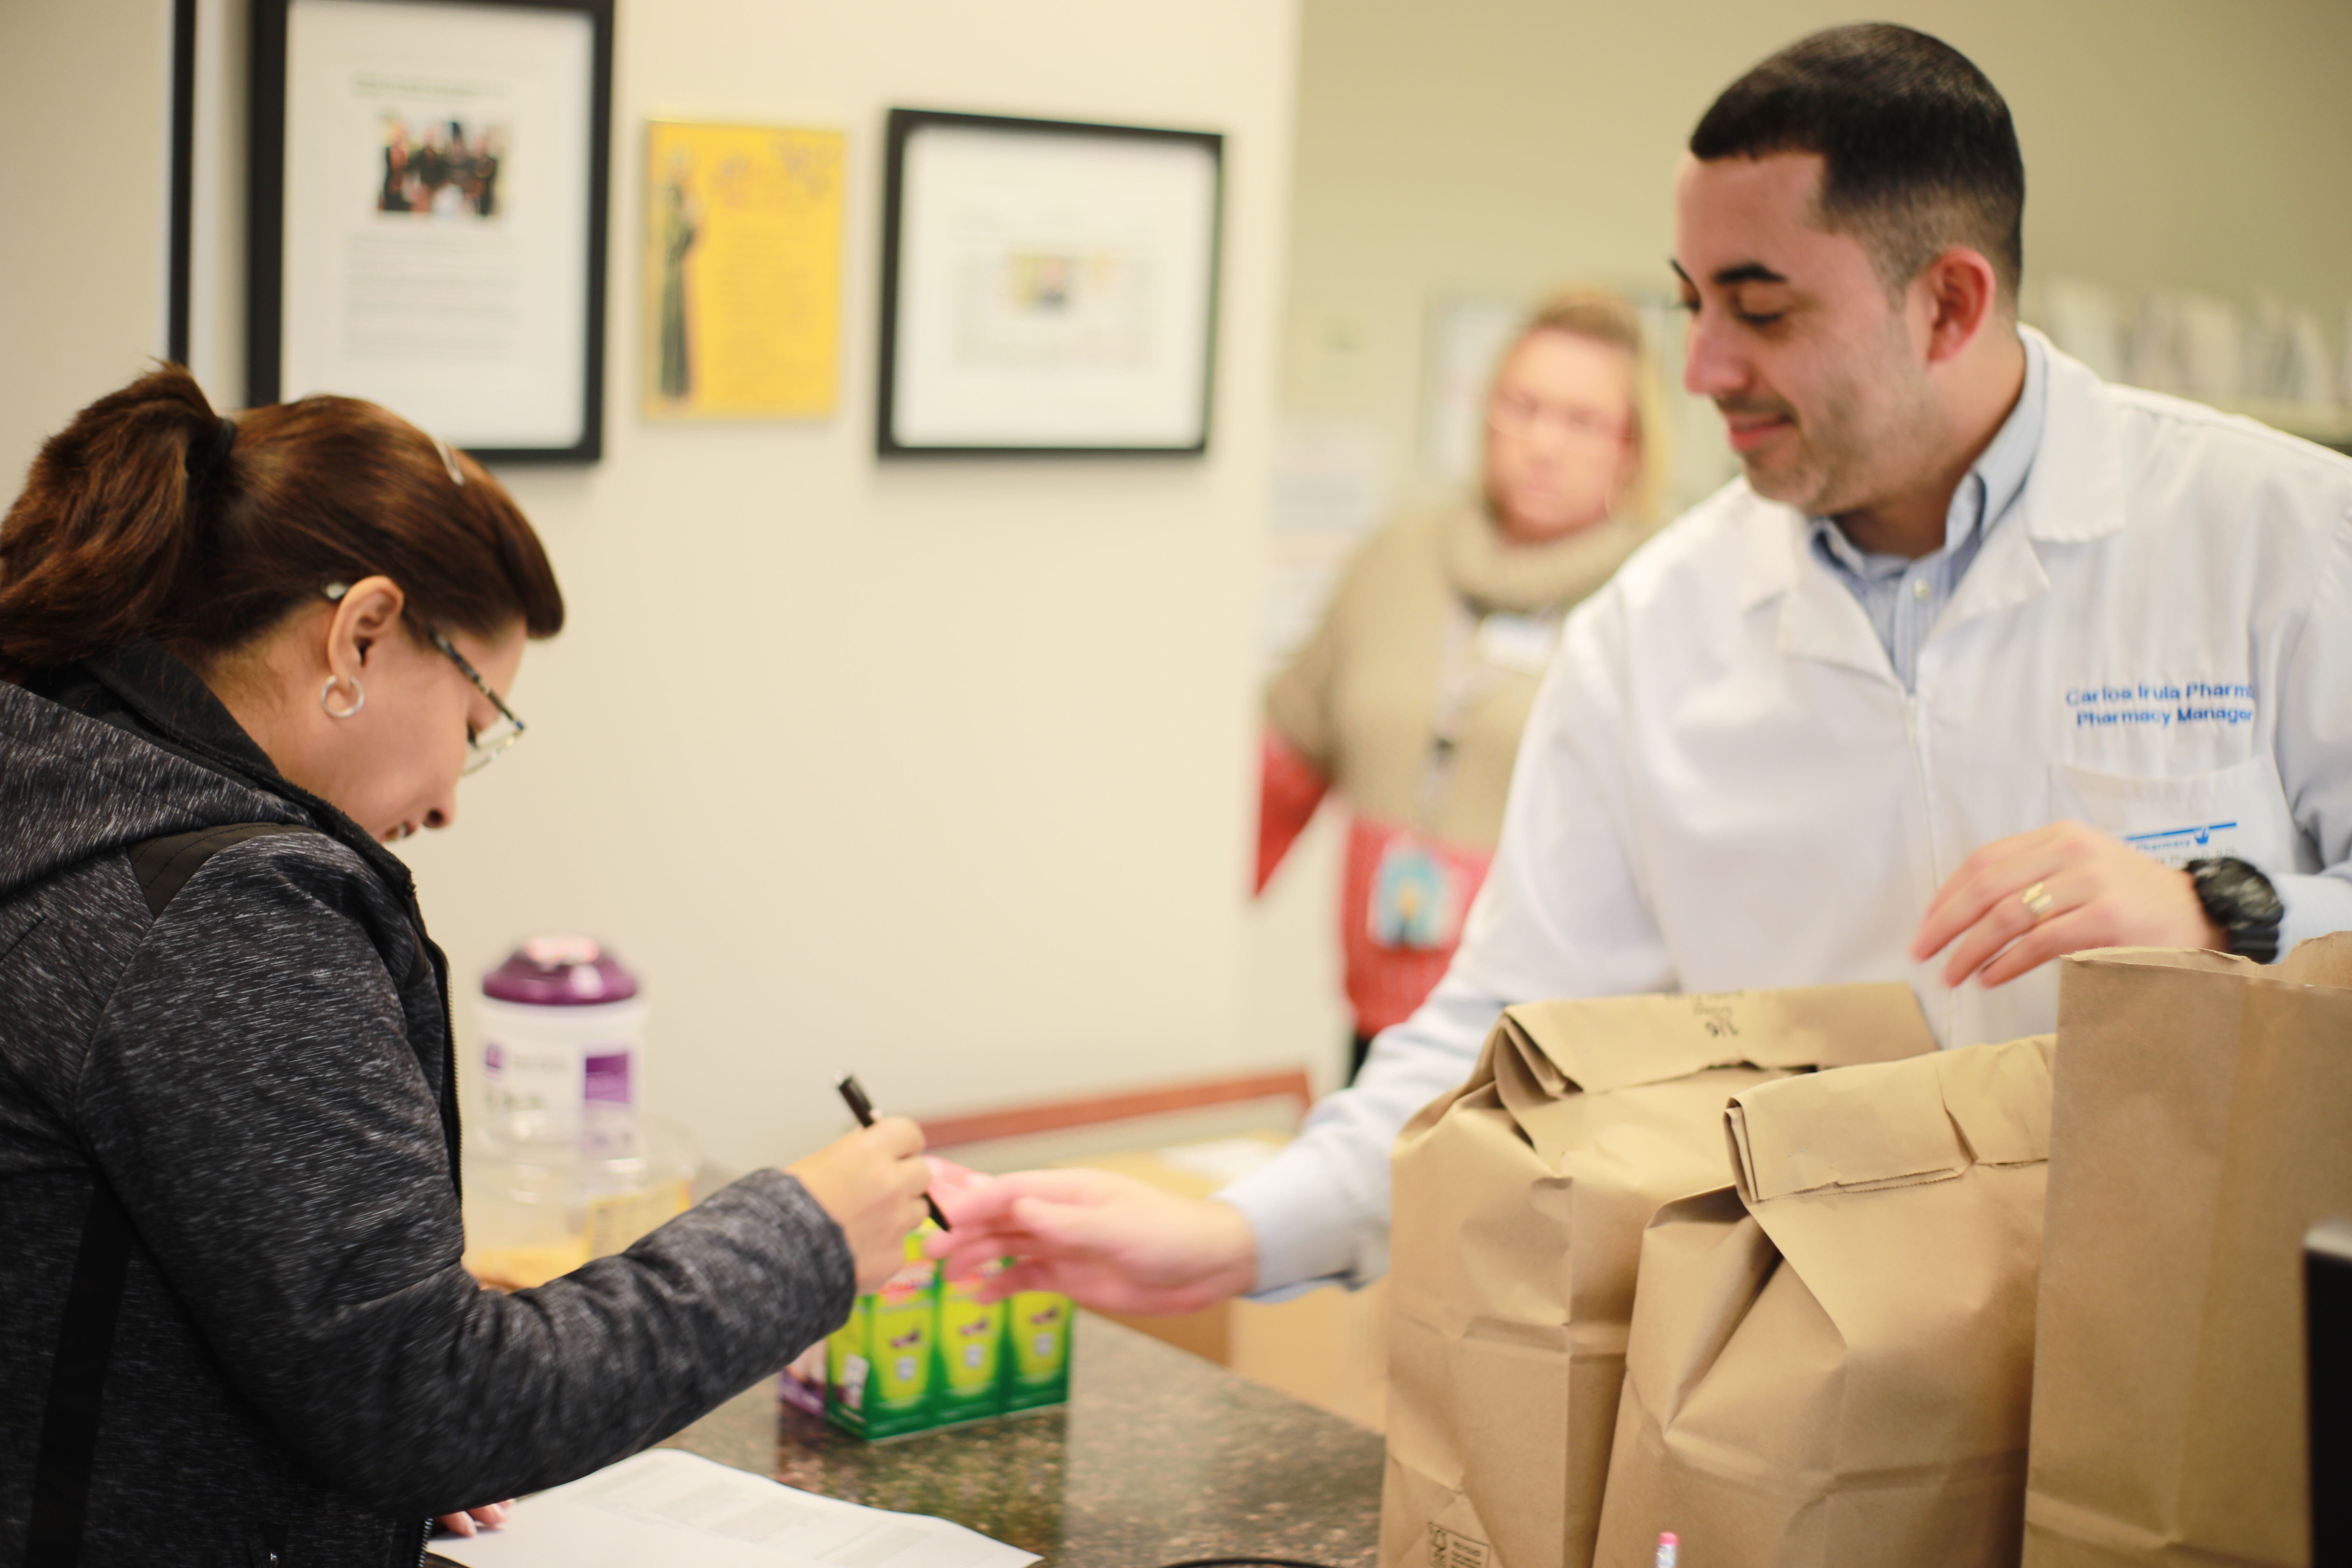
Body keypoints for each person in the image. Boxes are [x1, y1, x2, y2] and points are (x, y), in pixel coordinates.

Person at [931, 22, 2352, 1313]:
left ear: (1950, 303)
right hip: (1831, 1381)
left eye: (1762, 307)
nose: (1702, 369)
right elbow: (1500, 1033)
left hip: (2206, 1352)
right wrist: (1241, 1232)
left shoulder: (2270, 536)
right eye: (1689, 303)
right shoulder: (1658, 626)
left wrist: (2234, 912)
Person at [0, 368, 935, 1566]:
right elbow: (430, 1404)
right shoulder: (222, 910)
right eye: (477, 725)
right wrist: (806, 1238)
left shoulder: (64, 801)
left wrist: (339, 1439)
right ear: (364, 631)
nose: (447, 801)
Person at [1257, 290, 1665, 1082]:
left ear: (1632, 448)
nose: (1544, 442)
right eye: (1522, 407)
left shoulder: (1656, 595)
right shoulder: (1402, 552)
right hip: (1380, 1022)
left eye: (1582, 421)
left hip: (1553, 1050)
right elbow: (1282, 759)